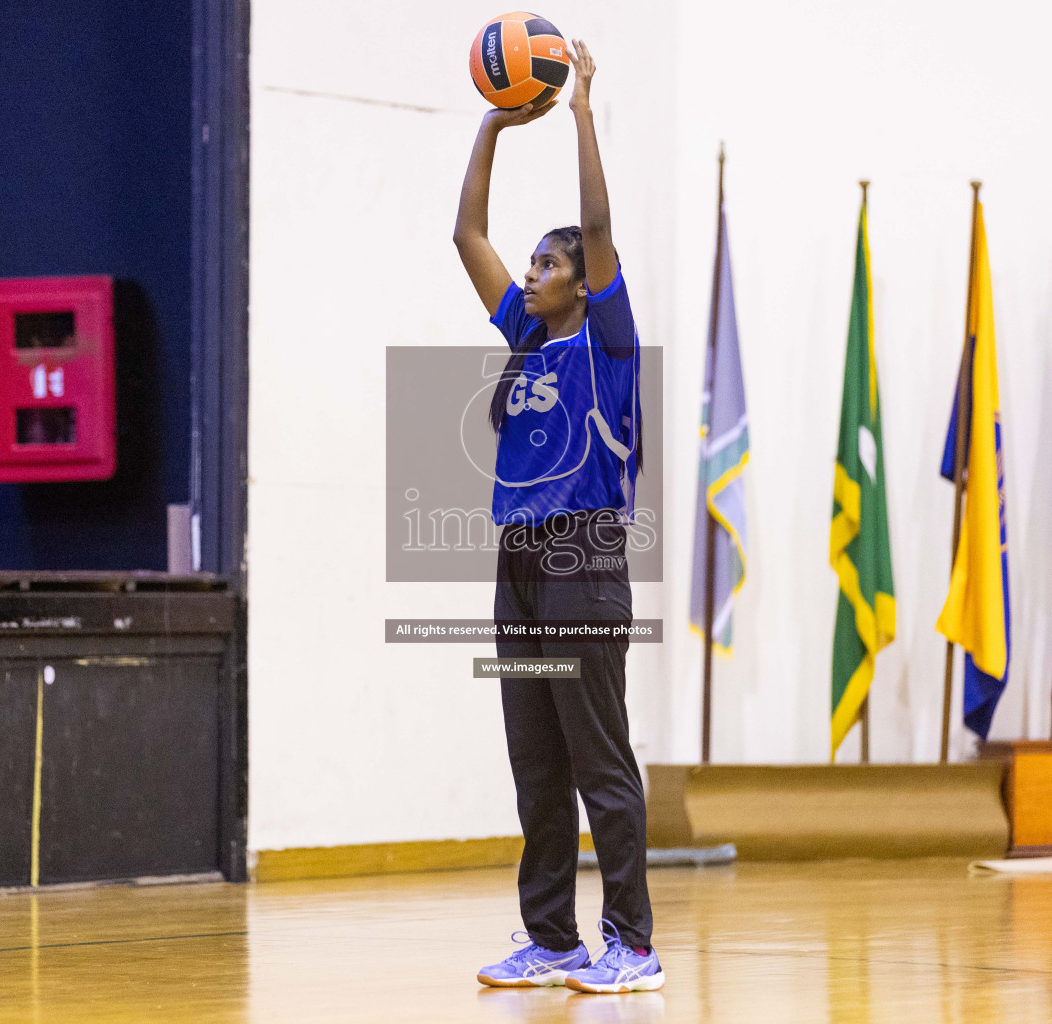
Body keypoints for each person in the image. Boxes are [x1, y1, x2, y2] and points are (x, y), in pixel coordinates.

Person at [451, 41, 661, 994]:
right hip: (521, 563)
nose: (529, 273)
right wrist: (493, 125)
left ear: (584, 280)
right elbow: (465, 234)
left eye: (547, 264)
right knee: (535, 756)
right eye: (530, 263)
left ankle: (633, 944)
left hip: (583, 559)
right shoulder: (526, 334)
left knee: (597, 756)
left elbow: (599, 220)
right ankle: (554, 940)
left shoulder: (608, 343)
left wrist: (578, 111)